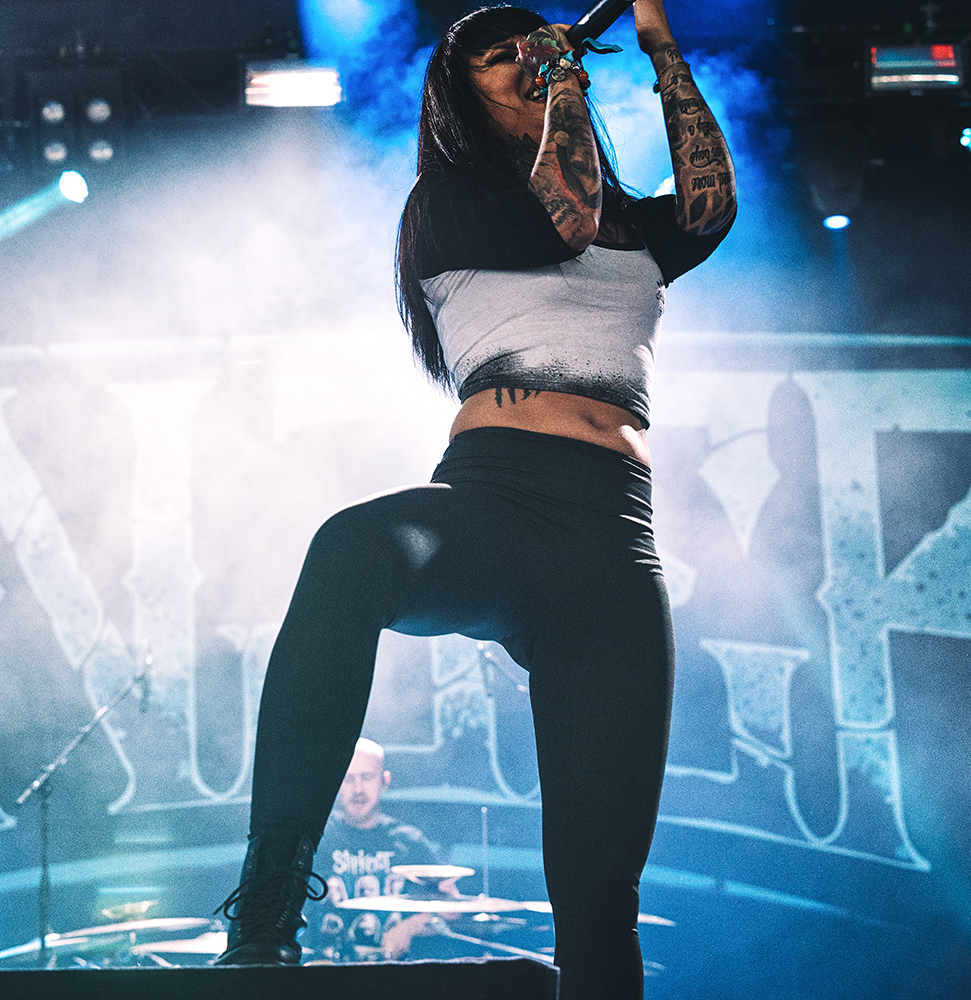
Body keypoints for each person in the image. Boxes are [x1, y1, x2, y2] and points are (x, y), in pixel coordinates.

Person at [215, 3, 735, 998]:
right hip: (499, 503)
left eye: (535, 45)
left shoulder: (627, 223)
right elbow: (563, 214)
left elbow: (710, 207)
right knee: (350, 549)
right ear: (462, 96)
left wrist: (660, 42)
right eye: (502, 58)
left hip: (613, 537)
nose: (527, 63)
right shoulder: (447, 205)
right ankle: (268, 904)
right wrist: (564, 74)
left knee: (601, 894)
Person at [303, 739, 444, 961]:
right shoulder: (315, 838)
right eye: (348, 779)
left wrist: (409, 927)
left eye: (366, 777)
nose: (358, 789)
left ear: (384, 781)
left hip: (392, 972)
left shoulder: (409, 842)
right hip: (323, 971)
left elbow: (453, 906)